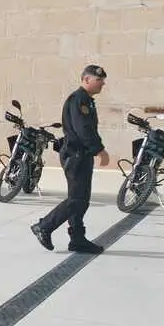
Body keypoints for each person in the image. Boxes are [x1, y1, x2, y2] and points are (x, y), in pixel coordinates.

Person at [30, 66, 109, 254]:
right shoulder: (79, 99)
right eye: (99, 80)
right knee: (77, 199)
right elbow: (84, 129)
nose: (103, 84)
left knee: (81, 199)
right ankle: (44, 226)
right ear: (87, 80)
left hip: (82, 154)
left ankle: (77, 239)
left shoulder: (87, 101)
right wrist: (99, 150)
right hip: (76, 154)